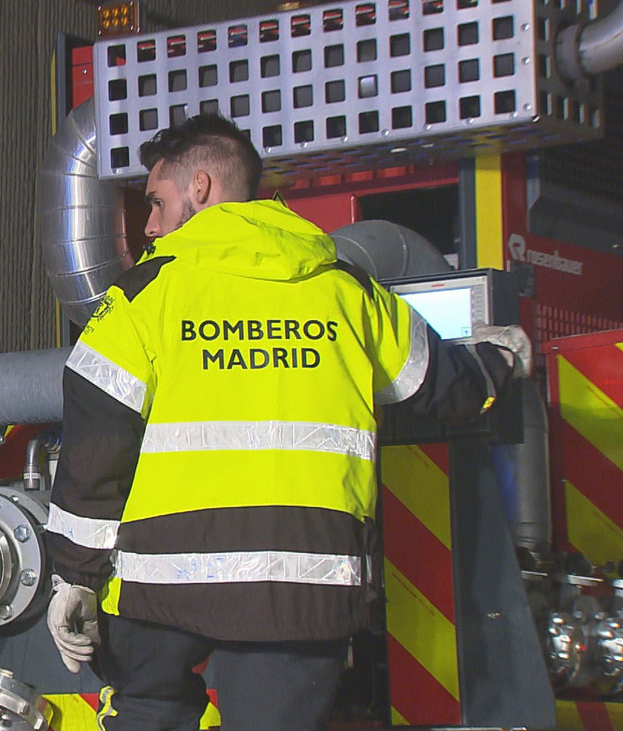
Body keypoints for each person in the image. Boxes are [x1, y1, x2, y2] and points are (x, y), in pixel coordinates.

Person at [42, 115, 531, 731]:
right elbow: (441, 387)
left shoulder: (145, 298)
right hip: (304, 590)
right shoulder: (345, 289)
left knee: (146, 708)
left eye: (158, 202)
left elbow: (96, 446)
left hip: (162, 588)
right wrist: (501, 360)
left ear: (200, 188)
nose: (149, 224)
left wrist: (76, 580)